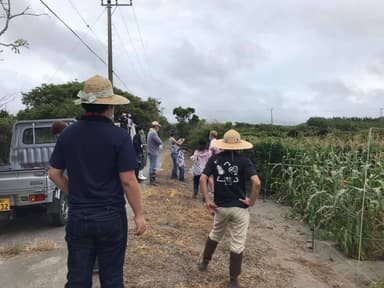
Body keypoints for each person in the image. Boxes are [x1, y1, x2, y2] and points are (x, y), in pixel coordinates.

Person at [48, 75, 146, 288]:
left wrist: (72, 191)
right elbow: (128, 180)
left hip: (78, 215)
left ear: (84, 105)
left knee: (77, 278)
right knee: (111, 278)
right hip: (110, 215)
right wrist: (139, 214)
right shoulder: (119, 136)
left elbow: (54, 173)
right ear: (109, 106)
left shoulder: (68, 134)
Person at [198, 129, 261, 288]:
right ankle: (233, 280)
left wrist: (207, 200)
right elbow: (257, 183)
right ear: (239, 145)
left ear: (223, 145)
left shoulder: (214, 159)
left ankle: (204, 263)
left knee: (215, 234)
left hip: (221, 207)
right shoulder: (245, 161)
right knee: (237, 243)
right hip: (240, 208)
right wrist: (251, 201)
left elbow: (203, 178)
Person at [147, 121, 162, 186]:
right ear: (155, 126)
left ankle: (152, 180)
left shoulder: (150, 132)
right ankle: (152, 181)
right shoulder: (153, 133)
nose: (159, 128)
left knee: (151, 166)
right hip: (153, 152)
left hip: (150, 151)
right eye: (158, 126)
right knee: (153, 166)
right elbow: (159, 141)